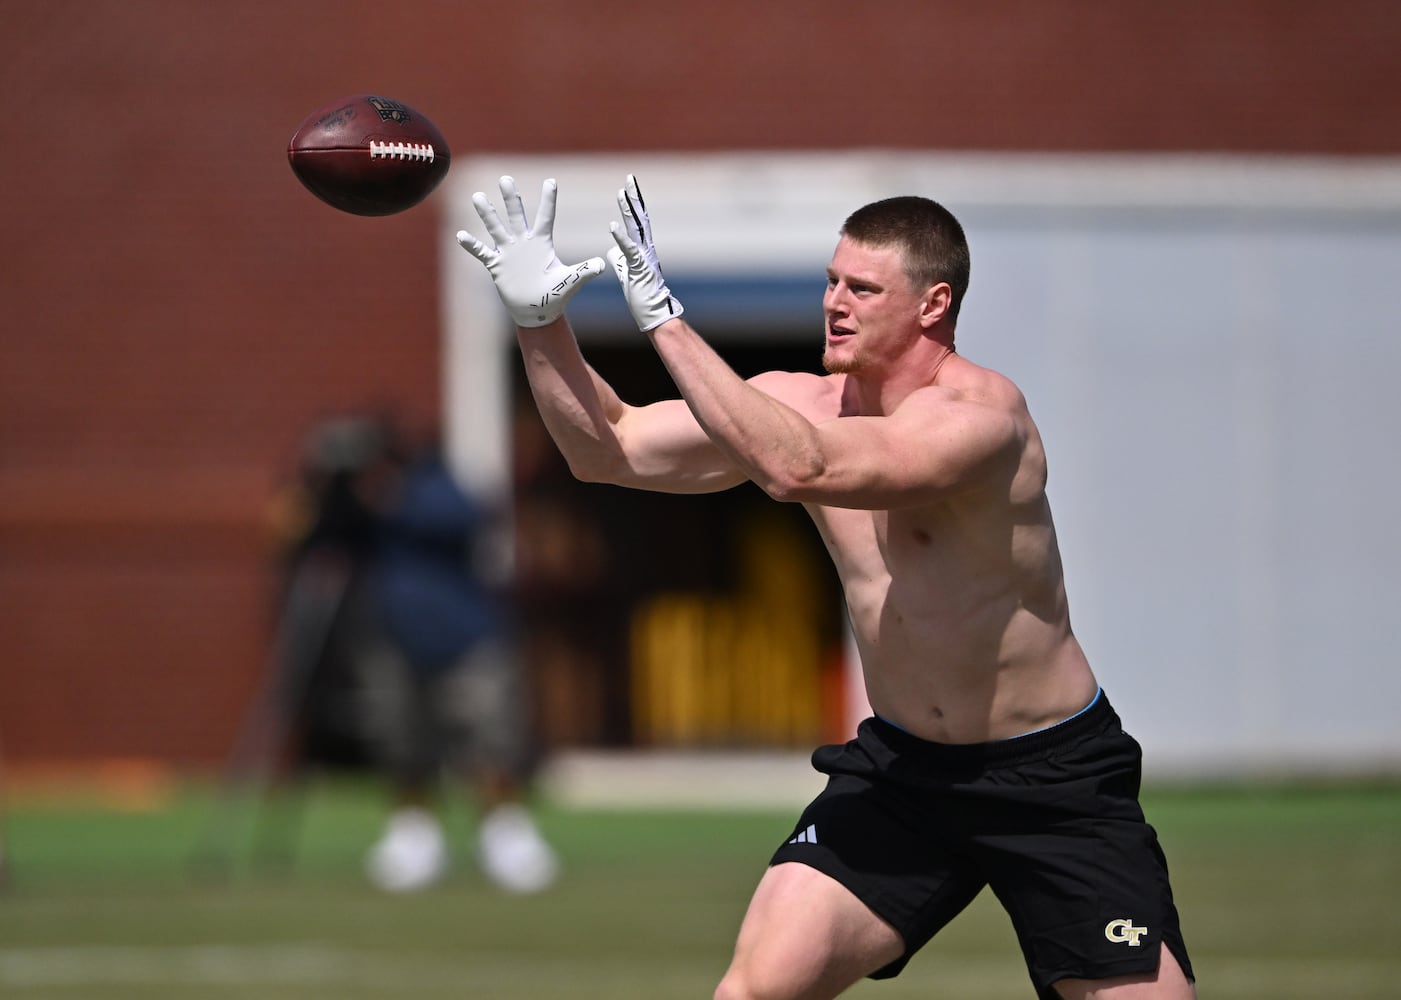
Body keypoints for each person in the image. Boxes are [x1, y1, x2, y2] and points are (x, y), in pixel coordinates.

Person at [456, 175, 1195, 998]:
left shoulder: (982, 419)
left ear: (931, 304)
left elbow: (800, 467)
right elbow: (608, 448)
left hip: (1048, 777)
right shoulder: (790, 401)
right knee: (752, 989)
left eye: (862, 288)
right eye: (830, 281)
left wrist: (663, 317)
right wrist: (537, 322)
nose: (834, 303)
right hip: (903, 774)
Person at [356, 427, 559, 895]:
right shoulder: (363, 497)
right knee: (402, 744)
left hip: (466, 640)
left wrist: (392, 499)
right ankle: (414, 838)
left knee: (489, 742)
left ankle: (505, 837)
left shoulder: (433, 484)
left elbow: (465, 517)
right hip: (394, 640)